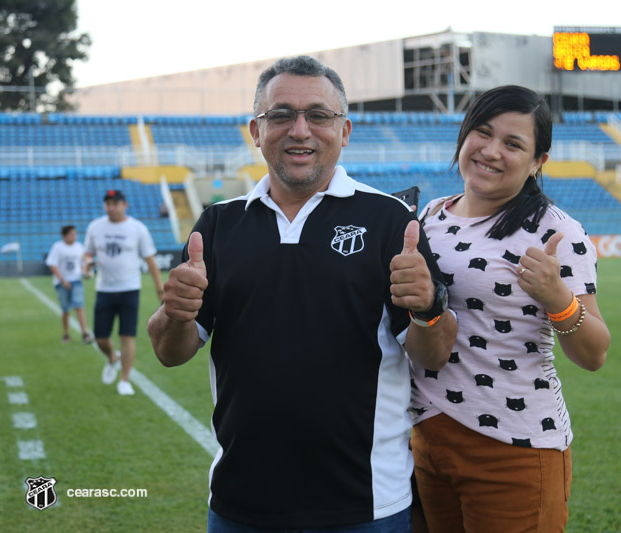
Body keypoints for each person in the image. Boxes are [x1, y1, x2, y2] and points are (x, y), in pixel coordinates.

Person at [147, 56, 457, 532]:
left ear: (345, 131)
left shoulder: (389, 220)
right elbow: (171, 351)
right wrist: (175, 314)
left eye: (318, 115)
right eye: (280, 115)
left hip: (366, 504)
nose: (299, 130)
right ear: (255, 129)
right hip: (239, 503)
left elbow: (432, 354)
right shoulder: (218, 223)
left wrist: (428, 308)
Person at [408, 85, 611, 533]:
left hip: (512, 445)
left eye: (513, 143)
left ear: (539, 162)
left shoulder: (556, 232)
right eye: (483, 132)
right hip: (427, 441)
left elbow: (594, 353)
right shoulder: (429, 217)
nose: (491, 151)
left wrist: (557, 298)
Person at [83, 189, 164, 396]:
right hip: (104, 288)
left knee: (127, 335)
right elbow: (88, 253)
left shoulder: (137, 228)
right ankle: (112, 358)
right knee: (101, 338)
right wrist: (86, 265)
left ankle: (125, 379)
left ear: (125, 205)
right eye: (108, 203)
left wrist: (159, 289)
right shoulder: (95, 227)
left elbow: (150, 260)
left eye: (115, 203)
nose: (111, 207)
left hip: (129, 288)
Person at [45, 225, 93, 344]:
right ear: (65, 236)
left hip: (76, 280)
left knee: (79, 306)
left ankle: (84, 333)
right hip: (62, 282)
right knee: (65, 310)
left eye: (75, 234)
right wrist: (62, 280)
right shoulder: (58, 247)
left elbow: (83, 264)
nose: (74, 236)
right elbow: (52, 265)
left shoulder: (79, 247)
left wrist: (86, 272)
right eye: (71, 234)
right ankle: (66, 333)